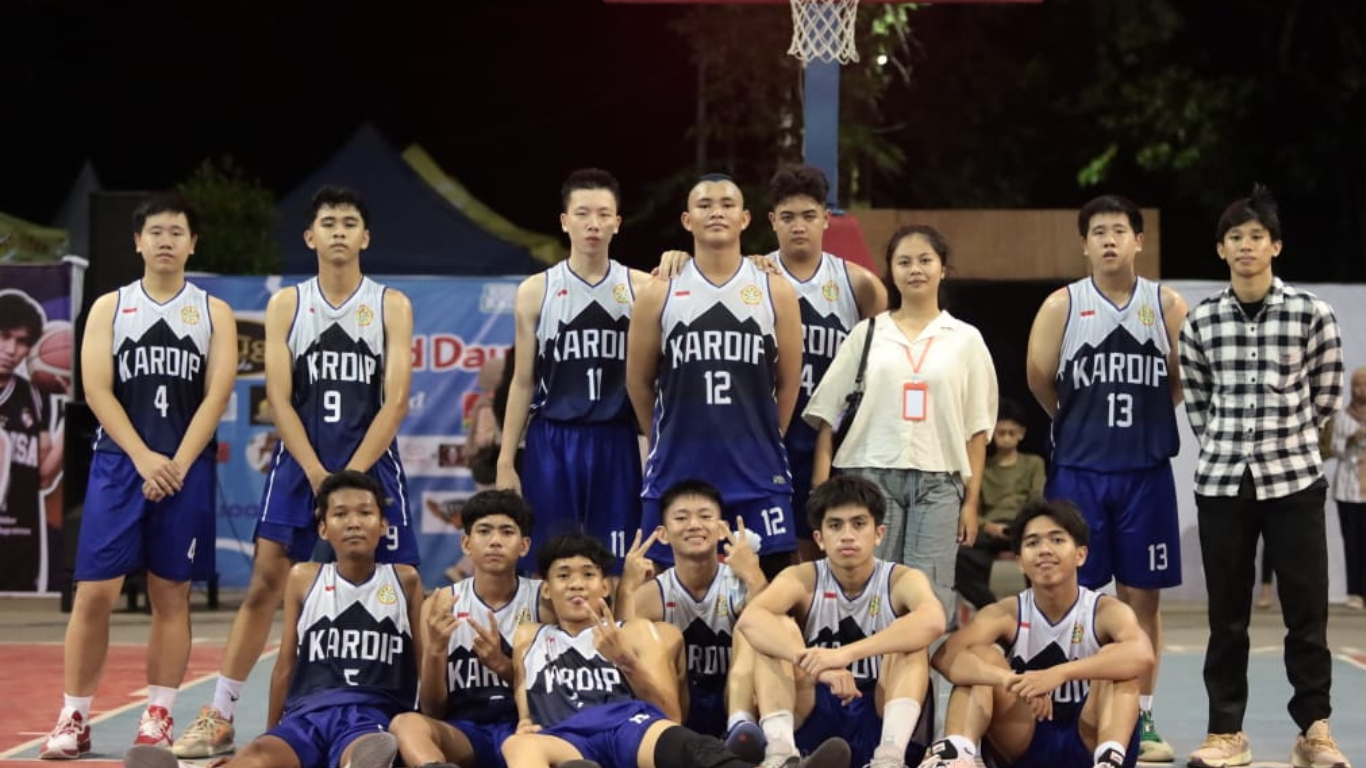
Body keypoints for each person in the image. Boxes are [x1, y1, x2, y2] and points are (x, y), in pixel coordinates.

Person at [173, 186, 418, 759]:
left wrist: (349, 482)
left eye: (349, 222)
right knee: (265, 583)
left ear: (365, 237)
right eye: (328, 223)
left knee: (398, 588)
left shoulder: (391, 305)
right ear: (310, 237)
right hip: (298, 464)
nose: (339, 231)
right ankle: (220, 714)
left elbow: (396, 401)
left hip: (372, 465)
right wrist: (315, 472)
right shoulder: (289, 304)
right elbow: (279, 399)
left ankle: (412, 716)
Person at [39, 193, 237, 757]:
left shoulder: (213, 313)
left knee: (170, 593)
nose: (166, 241)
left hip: (185, 468)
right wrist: (144, 458)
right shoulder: (111, 307)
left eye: (177, 232)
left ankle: (158, 716)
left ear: (193, 244)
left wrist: (174, 463)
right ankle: (74, 718)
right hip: (119, 465)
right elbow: (97, 390)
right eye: (156, 232)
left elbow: (216, 396)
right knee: (93, 592)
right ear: (138, 242)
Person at [1179, 185, 1349, 768]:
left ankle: (1315, 730)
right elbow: (1197, 400)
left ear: (1276, 246)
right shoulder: (1202, 320)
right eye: (1235, 237)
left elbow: (1327, 393)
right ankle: (1226, 732)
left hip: (1294, 478)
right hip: (1223, 481)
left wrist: (1286, 439)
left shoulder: (1311, 312)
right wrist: (1228, 443)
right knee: (1226, 616)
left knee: (1307, 612)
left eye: (1257, 236)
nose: (1246, 246)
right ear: (1221, 249)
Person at [1024, 194, 1185, 762]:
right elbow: (1041, 379)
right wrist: (1080, 424)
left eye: (1119, 230)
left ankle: (1142, 716)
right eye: (1099, 232)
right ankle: (1080, 709)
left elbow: (1178, 383)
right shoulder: (1062, 305)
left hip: (1145, 472)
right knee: (1076, 597)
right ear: (1084, 244)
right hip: (1080, 473)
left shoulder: (1166, 305)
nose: (1109, 240)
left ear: (1138, 241)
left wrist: (1141, 424)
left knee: (1142, 601)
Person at [125, 470, 423, 768]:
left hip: (371, 715)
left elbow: (423, 665)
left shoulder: (404, 580)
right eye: (340, 514)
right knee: (258, 755)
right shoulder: (303, 577)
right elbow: (285, 664)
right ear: (323, 528)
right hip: (307, 715)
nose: (354, 523)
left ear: (383, 525)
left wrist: (428, 729)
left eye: (365, 513)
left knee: (367, 752)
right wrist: (271, 733)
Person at [502, 533, 851, 768]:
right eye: (563, 575)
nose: (576, 584)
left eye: (588, 575)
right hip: (566, 736)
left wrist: (625, 660)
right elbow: (526, 708)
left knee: (686, 744)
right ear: (545, 589)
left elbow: (668, 712)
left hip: (625, 724)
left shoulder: (637, 631)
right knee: (518, 745)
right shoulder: (528, 637)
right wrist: (524, 723)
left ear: (605, 586)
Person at [804, 224, 997, 619]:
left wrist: (971, 502)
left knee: (930, 595)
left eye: (925, 260)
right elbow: (827, 416)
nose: (915, 270)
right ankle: (872, 661)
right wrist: (820, 491)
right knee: (870, 587)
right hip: (870, 476)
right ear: (890, 271)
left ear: (943, 269)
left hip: (940, 484)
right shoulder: (867, 333)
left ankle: (920, 664)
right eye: (904, 262)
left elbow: (977, 430)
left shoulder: (966, 339)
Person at [627, 173, 803, 578]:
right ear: (687, 220)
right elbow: (638, 382)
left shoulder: (775, 290)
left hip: (757, 471)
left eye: (727, 204)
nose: (716, 212)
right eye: (705, 205)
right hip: (678, 469)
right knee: (662, 591)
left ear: (745, 218)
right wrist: (662, 437)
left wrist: (767, 436)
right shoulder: (659, 290)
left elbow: (789, 382)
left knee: (771, 590)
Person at [919, 499, 1152, 768]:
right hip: (1024, 740)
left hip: (1090, 738)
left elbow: (1142, 655)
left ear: (1080, 555)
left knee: (1118, 659)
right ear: (1020, 562)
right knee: (979, 658)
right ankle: (957, 754)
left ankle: (1109, 760)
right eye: (1032, 543)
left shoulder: (1105, 610)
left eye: (1056, 540)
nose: (1044, 550)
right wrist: (1010, 680)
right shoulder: (1006, 613)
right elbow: (945, 656)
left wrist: (1058, 674)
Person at [498, 169, 652, 571]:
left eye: (603, 214)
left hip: (615, 436)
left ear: (617, 222)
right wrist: (505, 460)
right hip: (552, 436)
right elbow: (523, 381)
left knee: (619, 560)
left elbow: (654, 379)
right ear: (565, 221)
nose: (593, 224)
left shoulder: (642, 288)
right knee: (545, 560)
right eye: (583, 213)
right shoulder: (536, 290)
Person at [735, 475, 946, 768]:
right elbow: (751, 620)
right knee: (776, 628)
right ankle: (780, 754)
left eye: (858, 524)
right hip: (815, 710)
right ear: (819, 539)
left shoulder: (902, 579)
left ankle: (890, 758)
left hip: (879, 712)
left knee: (910, 640)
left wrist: (843, 655)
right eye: (835, 526)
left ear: (879, 534)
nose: (847, 535)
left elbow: (934, 621)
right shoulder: (802, 578)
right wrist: (818, 667)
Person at [764, 166, 887, 561]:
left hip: (834, 433)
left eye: (808, 216)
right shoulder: (753, 274)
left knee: (829, 542)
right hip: (770, 429)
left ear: (825, 219)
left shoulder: (859, 283)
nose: (798, 226)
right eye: (787, 217)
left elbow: (881, 361)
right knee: (772, 548)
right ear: (772, 221)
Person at [390, 489, 551, 768]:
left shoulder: (544, 600)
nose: (495, 541)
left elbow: (559, 692)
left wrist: (503, 666)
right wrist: (436, 651)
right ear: (466, 543)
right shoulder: (440, 604)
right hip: (466, 732)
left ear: (524, 546)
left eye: (507, 532)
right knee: (405, 724)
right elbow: (433, 709)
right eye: (484, 531)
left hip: (527, 731)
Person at [617, 479, 769, 759]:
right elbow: (623, 655)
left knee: (753, 627)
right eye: (681, 518)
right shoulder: (652, 594)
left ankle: (743, 728)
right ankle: (666, 746)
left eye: (705, 516)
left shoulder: (739, 581)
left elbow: (772, 633)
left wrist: (753, 575)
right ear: (663, 534)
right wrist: (626, 588)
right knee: (657, 633)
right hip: (678, 705)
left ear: (721, 528)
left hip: (736, 698)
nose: (694, 525)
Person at [0, 289, 65, 592]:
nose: (11, 350)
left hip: (21, 537)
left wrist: (69, 420)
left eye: (22, 341)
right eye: (4, 336)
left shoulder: (34, 397)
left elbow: (44, 476)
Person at [954, 399, 1045, 611]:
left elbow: (1037, 499)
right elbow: (972, 507)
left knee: (1044, 550)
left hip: (1023, 525)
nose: (1006, 438)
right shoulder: (983, 468)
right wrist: (988, 526)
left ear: (1021, 434)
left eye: (1011, 433)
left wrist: (1023, 524)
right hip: (990, 528)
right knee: (959, 555)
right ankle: (990, 607)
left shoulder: (1033, 464)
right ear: (992, 434)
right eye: (1001, 433)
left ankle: (1037, 605)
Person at [1330, 367, 1366, 611]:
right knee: (1352, 541)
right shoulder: (1343, 416)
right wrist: (1352, 439)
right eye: (1356, 384)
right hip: (1348, 488)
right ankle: (1355, 592)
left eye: (1364, 384)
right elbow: (1334, 448)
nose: (1360, 389)